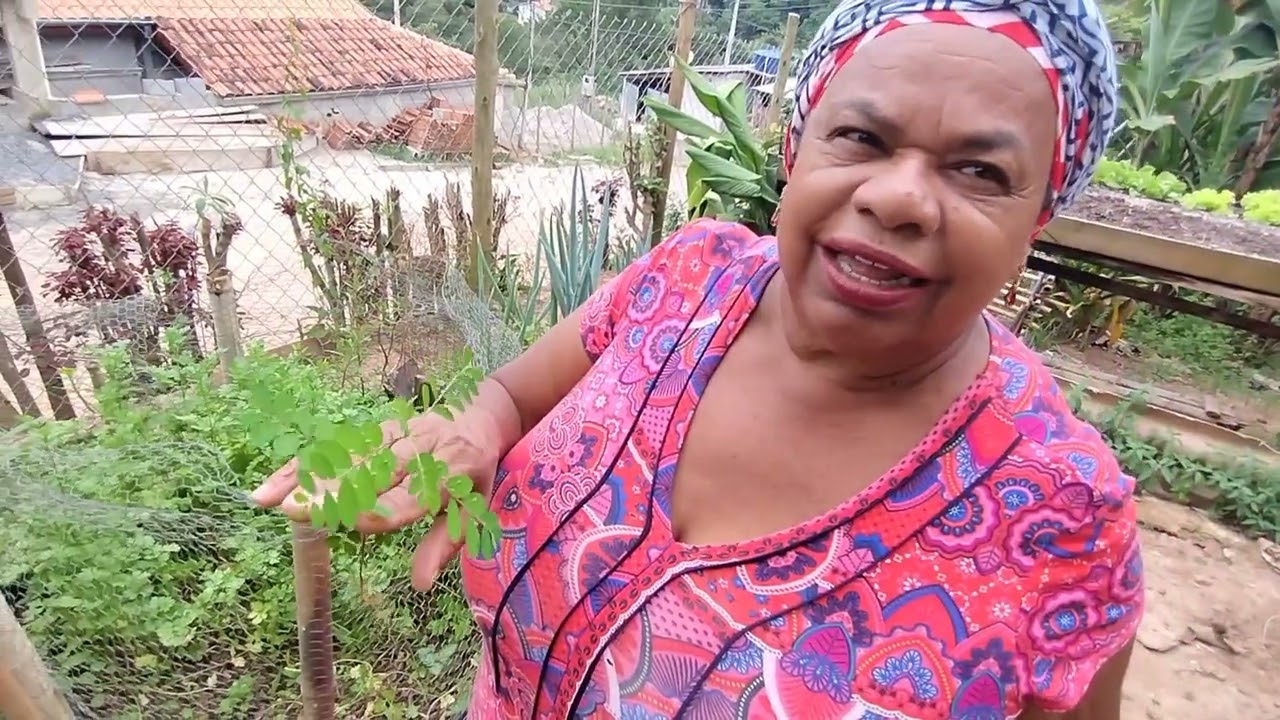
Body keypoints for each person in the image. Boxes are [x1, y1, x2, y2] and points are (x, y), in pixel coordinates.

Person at [253, 0, 1144, 717]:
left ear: (1039, 219)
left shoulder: (1064, 517)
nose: (901, 196)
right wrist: (476, 428)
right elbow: (513, 396)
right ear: (795, 149)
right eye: (863, 139)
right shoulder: (689, 281)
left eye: (980, 172)